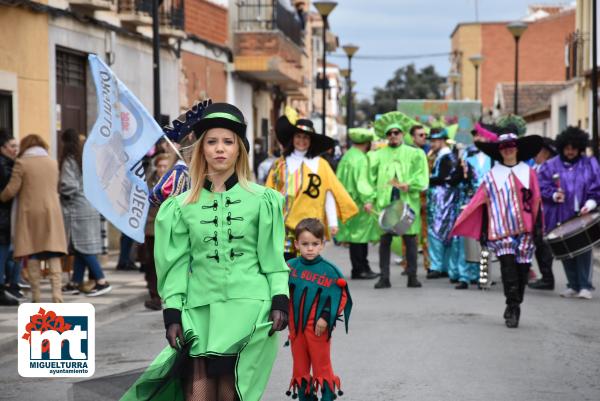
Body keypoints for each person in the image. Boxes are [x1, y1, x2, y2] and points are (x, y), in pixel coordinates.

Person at [121, 103, 290, 401]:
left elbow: (273, 260)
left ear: (240, 149)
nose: (220, 149)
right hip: (199, 311)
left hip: (249, 308)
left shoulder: (265, 200)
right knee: (196, 395)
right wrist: (172, 311)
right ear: (201, 150)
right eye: (212, 142)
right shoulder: (179, 206)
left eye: (228, 142)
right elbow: (174, 265)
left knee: (230, 394)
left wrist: (280, 299)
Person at [452, 132, 543, 328]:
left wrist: (538, 227)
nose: (508, 149)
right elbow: (480, 204)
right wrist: (483, 231)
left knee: (522, 270)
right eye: (503, 147)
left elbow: (536, 200)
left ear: (517, 149)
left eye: (511, 145)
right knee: (508, 267)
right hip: (502, 230)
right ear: (499, 152)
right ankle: (513, 306)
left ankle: (515, 301)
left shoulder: (529, 172)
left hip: (526, 230)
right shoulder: (492, 176)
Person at [266, 115, 357, 260]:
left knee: (308, 268)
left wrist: (333, 222)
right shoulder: (280, 165)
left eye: (306, 137)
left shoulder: (321, 164)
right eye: (298, 136)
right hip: (284, 226)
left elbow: (329, 194)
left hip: (311, 227)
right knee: (286, 265)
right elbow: (269, 194)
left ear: (311, 141)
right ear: (292, 138)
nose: (301, 141)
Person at [286, 218, 351, 401]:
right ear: (297, 244)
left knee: (321, 363)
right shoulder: (290, 268)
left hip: (318, 328)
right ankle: (305, 396)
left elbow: (340, 297)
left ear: (322, 244)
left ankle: (328, 394)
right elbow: (281, 293)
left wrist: (325, 317)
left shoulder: (329, 271)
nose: (310, 248)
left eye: (315, 244)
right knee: (299, 364)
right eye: (305, 244)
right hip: (296, 328)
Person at [0, 134, 67, 303]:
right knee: (53, 253)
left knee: (33, 253)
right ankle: (57, 296)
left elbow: (11, 190)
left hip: (30, 215)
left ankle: (36, 297)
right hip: (52, 213)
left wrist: (2, 197)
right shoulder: (52, 163)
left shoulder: (22, 163)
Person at [538, 127, 600, 299]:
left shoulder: (590, 163)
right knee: (565, 250)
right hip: (560, 215)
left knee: (583, 250)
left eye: (574, 148)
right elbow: (541, 186)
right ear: (562, 147)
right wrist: (553, 194)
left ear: (579, 148)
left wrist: (591, 202)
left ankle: (585, 286)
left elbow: (597, 185)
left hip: (583, 214)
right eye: (567, 148)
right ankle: (572, 285)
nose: (570, 151)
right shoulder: (550, 166)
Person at [369, 111, 429, 289]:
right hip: (385, 204)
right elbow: (369, 179)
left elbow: (422, 177)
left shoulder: (415, 154)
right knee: (385, 241)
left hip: (408, 203)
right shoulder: (377, 155)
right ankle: (384, 277)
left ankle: (412, 276)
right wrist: (369, 199)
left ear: (402, 134)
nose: (393, 136)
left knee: (410, 239)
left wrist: (409, 185)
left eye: (396, 132)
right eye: (389, 133)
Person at [59, 129, 112, 297]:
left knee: (84, 248)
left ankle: (102, 281)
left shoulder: (69, 160)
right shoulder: (87, 160)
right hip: (90, 205)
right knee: (79, 245)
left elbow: (69, 185)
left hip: (77, 208)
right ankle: (76, 282)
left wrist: (59, 190)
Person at [425, 129, 472, 288]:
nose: (432, 143)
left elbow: (446, 179)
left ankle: (438, 266)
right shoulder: (443, 156)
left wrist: (427, 180)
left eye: (435, 140)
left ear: (443, 140)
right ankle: (442, 266)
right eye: (431, 140)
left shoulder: (447, 157)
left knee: (437, 231)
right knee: (442, 232)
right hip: (443, 199)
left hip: (442, 200)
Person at [335, 128, 379, 279]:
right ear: (366, 143)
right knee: (360, 238)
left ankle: (360, 267)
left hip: (348, 202)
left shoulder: (348, 156)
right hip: (359, 204)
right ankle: (360, 269)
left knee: (355, 237)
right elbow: (362, 183)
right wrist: (368, 200)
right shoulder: (360, 159)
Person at [141, 152, 171, 310]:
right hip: (152, 227)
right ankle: (154, 296)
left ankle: (168, 293)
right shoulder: (149, 182)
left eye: (165, 166)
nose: (162, 169)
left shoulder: (174, 182)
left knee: (167, 263)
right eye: (160, 166)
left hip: (169, 228)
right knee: (151, 263)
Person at [528, 137, 558, 290]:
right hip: (535, 211)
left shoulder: (549, 168)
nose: (534, 155)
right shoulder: (536, 168)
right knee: (538, 244)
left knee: (543, 245)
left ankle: (548, 278)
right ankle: (544, 276)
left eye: (538, 152)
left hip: (546, 211)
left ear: (545, 153)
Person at [407, 125, 431, 272]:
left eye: (425, 135)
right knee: (409, 232)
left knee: (426, 232)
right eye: (420, 135)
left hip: (427, 197)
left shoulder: (430, 151)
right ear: (413, 137)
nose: (424, 138)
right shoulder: (407, 153)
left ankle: (429, 264)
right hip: (412, 196)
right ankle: (408, 264)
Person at [0, 131, 20, 305]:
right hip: (3, 218)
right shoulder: (5, 166)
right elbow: (8, 192)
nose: (16, 149)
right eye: (12, 146)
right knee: (3, 253)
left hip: (5, 217)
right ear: (3, 148)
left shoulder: (8, 163)